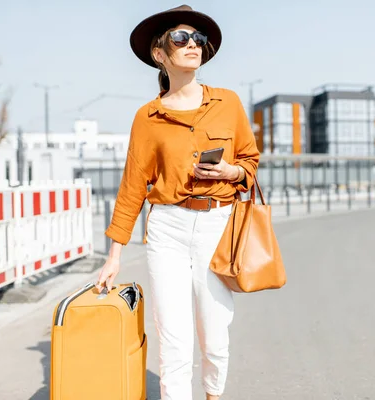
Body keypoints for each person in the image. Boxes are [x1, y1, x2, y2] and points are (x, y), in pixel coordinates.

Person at [97, 5, 260, 400]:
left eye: (198, 39)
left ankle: (211, 395)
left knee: (215, 335)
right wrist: (114, 254)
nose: (192, 45)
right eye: (181, 38)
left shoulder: (228, 103)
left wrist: (231, 173)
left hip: (217, 227)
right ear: (159, 53)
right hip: (167, 228)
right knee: (174, 340)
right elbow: (133, 185)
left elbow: (249, 161)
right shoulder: (147, 117)